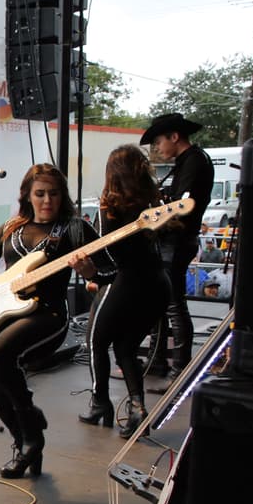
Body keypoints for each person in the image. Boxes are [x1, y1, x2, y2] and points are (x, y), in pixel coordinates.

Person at [0, 164, 100, 479]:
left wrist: (91, 274)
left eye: (54, 193)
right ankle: (23, 444)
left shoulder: (74, 228)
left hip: (48, 314)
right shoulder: (12, 227)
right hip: (6, 311)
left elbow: (109, 270)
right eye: (40, 193)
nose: (47, 200)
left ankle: (32, 429)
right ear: (27, 194)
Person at [71, 145, 171, 439]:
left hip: (128, 283)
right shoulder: (153, 204)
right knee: (126, 346)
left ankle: (99, 401)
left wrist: (93, 274)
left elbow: (111, 263)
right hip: (157, 283)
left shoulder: (109, 208)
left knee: (95, 340)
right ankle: (138, 409)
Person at [141, 112, 215, 383]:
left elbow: (181, 209)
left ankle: (179, 370)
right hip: (172, 241)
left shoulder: (194, 161)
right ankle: (157, 362)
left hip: (178, 241)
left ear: (174, 136)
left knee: (173, 303)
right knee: (159, 303)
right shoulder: (187, 162)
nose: (158, 148)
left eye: (159, 140)